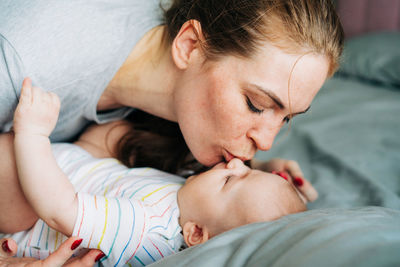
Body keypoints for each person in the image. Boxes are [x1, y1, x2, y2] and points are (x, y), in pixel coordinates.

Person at [0, 0, 343, 264]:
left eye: (286, 118)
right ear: (190, 45)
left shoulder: (173, 152)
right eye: (255, 103)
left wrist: (258, 190)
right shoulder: (17, 63)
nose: (266, 142)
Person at [2, 84, 306, 266]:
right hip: (60, 167)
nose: (237, 164)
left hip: (30, 211)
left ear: (196, 234)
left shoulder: (149, 229)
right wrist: (263, 175)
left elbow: (60, 211)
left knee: (7, 153)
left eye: (231, 179)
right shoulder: (190, 203)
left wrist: (34, 134)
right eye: (246, 170)